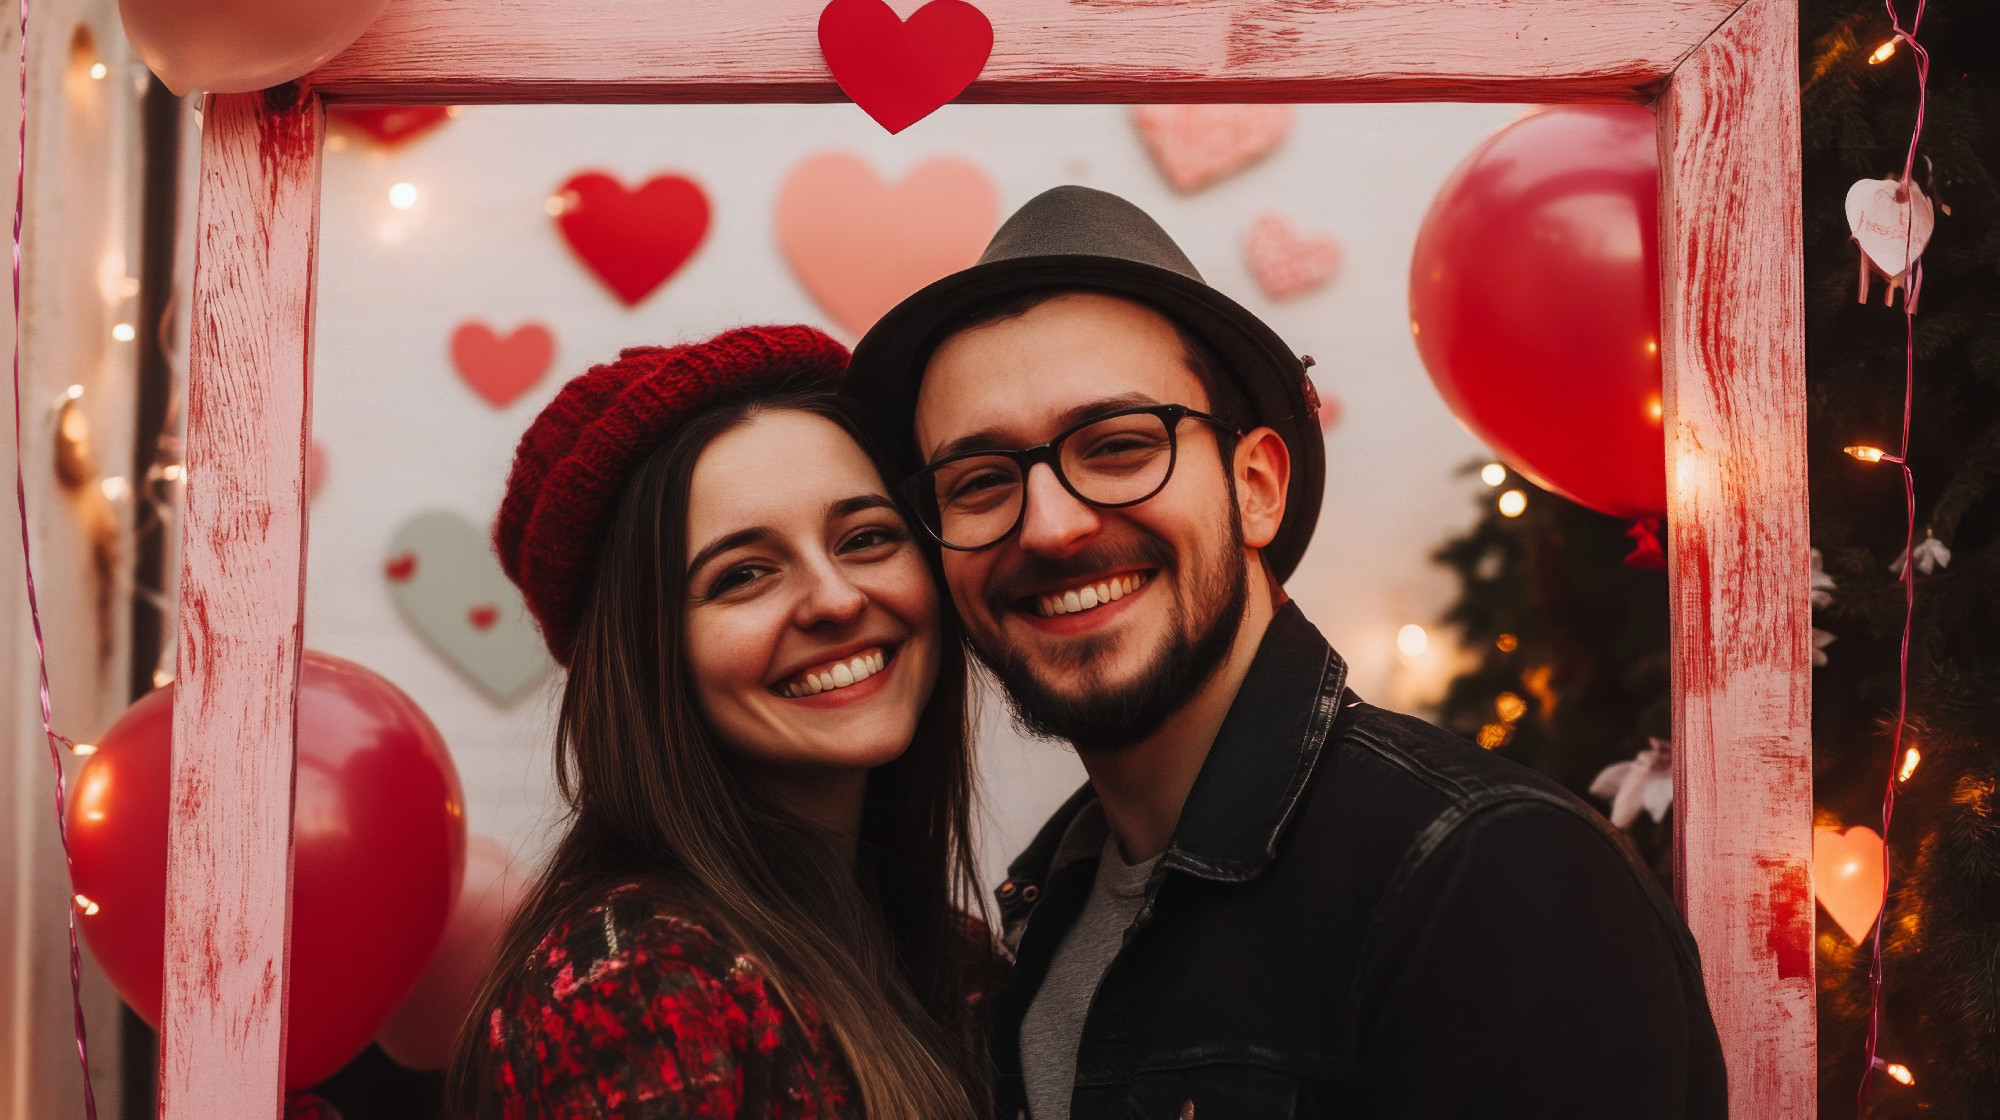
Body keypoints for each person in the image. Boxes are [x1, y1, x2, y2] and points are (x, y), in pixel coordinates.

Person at [845, 186, 1728, 1118]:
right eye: (980, 480)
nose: (1052, 525)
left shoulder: (1487, 875)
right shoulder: (1046, 904)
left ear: (1258, 485)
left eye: (1116, 445)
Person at [448, 325, 995, 1120]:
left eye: (867, 537)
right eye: (743, 575)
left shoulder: (958, 958)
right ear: (644, 653)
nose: (837, 599)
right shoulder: (640, 983)